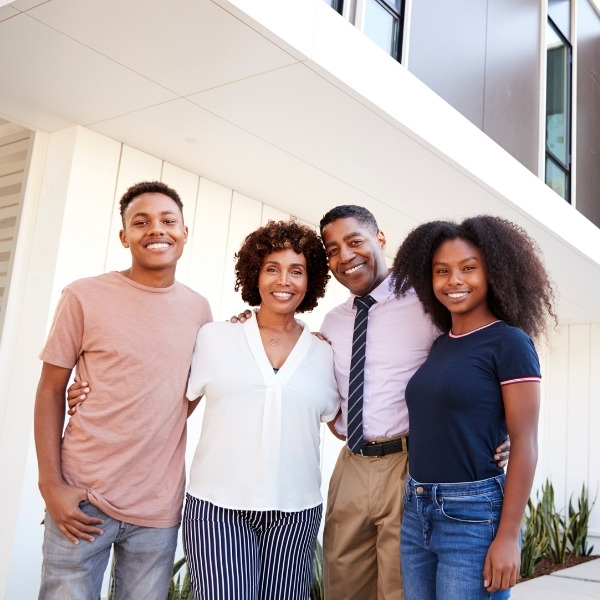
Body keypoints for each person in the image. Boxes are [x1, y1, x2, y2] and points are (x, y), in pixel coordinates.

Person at [234, 205, 510, 600]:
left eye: (354, 241)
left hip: (410, 464)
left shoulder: (428, 305)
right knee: (342, 583)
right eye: (332, 249)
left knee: (399, 588)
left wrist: (500, 432)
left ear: (380, 240)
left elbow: (483, 361)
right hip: (351, 464)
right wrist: (245, 323)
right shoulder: (332, 323)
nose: (345, 256)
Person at [34, 181, 212, 599]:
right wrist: (50, 485)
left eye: (169, 221)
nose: (157, 230)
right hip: (83, 497)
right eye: (141, 222)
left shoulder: (199, 309)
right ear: (124, 236)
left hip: (157, 506)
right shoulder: (83, 296)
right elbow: (49, 391)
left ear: (185, 232)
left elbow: (195, 386)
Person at [391, 216, 557, 599]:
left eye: (469, 268)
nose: (454, 280)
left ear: (494, 273)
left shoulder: (510, 343)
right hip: (418, 509)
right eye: (442, 271)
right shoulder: (439, 346)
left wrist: (509, 537)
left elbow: (525, 441)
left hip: (473, 516)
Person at [182, 220, 340, 600]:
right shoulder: (216, 337)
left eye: (296, 271)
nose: (283, 281)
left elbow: (343, 424)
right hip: (217, 508)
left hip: (296, 512)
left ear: (311, 280)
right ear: (256, 273)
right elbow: (172, 410)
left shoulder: (324, 352)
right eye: (272, 268)